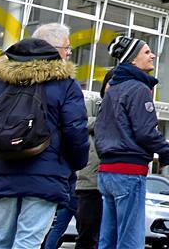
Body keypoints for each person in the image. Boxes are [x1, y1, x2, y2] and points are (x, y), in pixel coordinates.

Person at [0, 26, 90, 249]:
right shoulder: (65, 83)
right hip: (46, 175)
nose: (68, 54)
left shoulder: (3, 80)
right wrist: (75, 164)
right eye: (67, 48)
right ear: (53, 49)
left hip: (5, 171)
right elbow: (76, 131)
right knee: (28, 241)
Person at [95, 35, 169, 249]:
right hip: (129, 169)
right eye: (147, 52)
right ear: (132, 60)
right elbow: (145, 131)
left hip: (107, 170)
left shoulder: (112, 89)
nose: (153, 56)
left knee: (108, 237)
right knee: (130, 238)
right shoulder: (138, 89)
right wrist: (166, 152)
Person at [73, 97, 103, 249]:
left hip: (110, 178)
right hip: (89, 182)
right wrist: (105, 121)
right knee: (87, 235)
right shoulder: (92, 104)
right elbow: (77, 122)